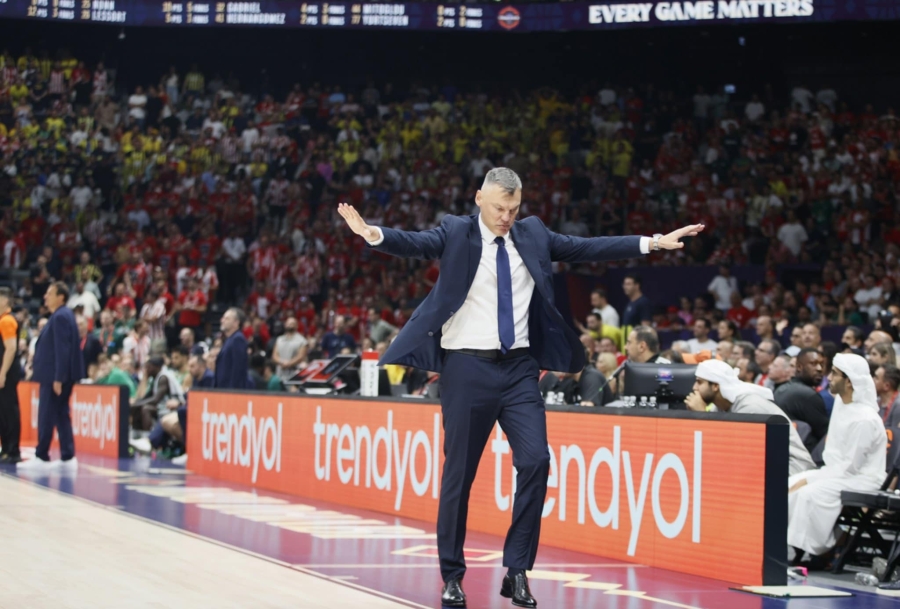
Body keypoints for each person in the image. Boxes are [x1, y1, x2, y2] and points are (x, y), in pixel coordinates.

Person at [337, 167, 702, 608]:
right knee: (459, 476)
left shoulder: (533, 234)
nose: (506, 217)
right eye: (498, 208)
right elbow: (415, 242)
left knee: (536, 461)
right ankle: (452, 575)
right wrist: (373, 234)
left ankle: (517, 570)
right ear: (479, 199)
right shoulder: (456, 231)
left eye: (513, 209)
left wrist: (653, 242)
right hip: (466, 368)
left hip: (519, 370)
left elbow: (589, 247)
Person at [788, 353, 886, 562]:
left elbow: (850, 467)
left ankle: (823, 551)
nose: (829, 378)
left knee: (808, 494)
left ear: (849, 381)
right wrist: (811, 477)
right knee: (788, 485)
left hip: (863, 479)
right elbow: (837, 462)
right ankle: (820, 546)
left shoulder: (865, 418)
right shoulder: (843, 405)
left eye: (834, 373)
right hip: (839, 474)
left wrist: (811, 478)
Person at [686, 359, 815, 476]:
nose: (694, 388)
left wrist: (702, 415)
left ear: (715, 386)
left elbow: (731, 452)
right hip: (766, 466)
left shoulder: (749, 407)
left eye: (699, 382)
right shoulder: (720, 405)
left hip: (792, 469)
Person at [18, 282, 84, 473]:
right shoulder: (63, 315)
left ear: (61, 297)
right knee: (61, 413)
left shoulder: (60, 316)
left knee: (47, 414)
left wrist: (58, 377)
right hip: (58, 374)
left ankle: (42, 455)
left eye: (50, 293)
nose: (45, 297)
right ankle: (67, 455)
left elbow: (62, 349)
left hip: (55, 376)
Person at [773, 349, 830, 453]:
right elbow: (826, 435)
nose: (819, 369)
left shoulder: (781, 389)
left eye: (822, 364)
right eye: (813, 364)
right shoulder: (808, 396)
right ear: (799, 367)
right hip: (802, 456)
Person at [0, 287, 22, 463]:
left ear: (5, 300)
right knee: (3, 411)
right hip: (4, 372)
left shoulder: (7, 320)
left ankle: (13, 450)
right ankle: (6, 448)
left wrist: (2, 373)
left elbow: (11, 348)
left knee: (9, 410)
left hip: (7, 373)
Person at [216, 307, 250, 389]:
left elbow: (238, 369)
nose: (222, 320)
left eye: (226, 318)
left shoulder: (237, 339)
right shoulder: (230, 339)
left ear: (236, 323)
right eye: (223, 318)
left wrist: (233, 392)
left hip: (230, 391)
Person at [875, 364, 900, 471]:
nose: (872, 380)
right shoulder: (876, 402)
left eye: (876, 378)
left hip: (890, 462)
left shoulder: (898, 406)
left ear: (886, 386)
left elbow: (897, 443)